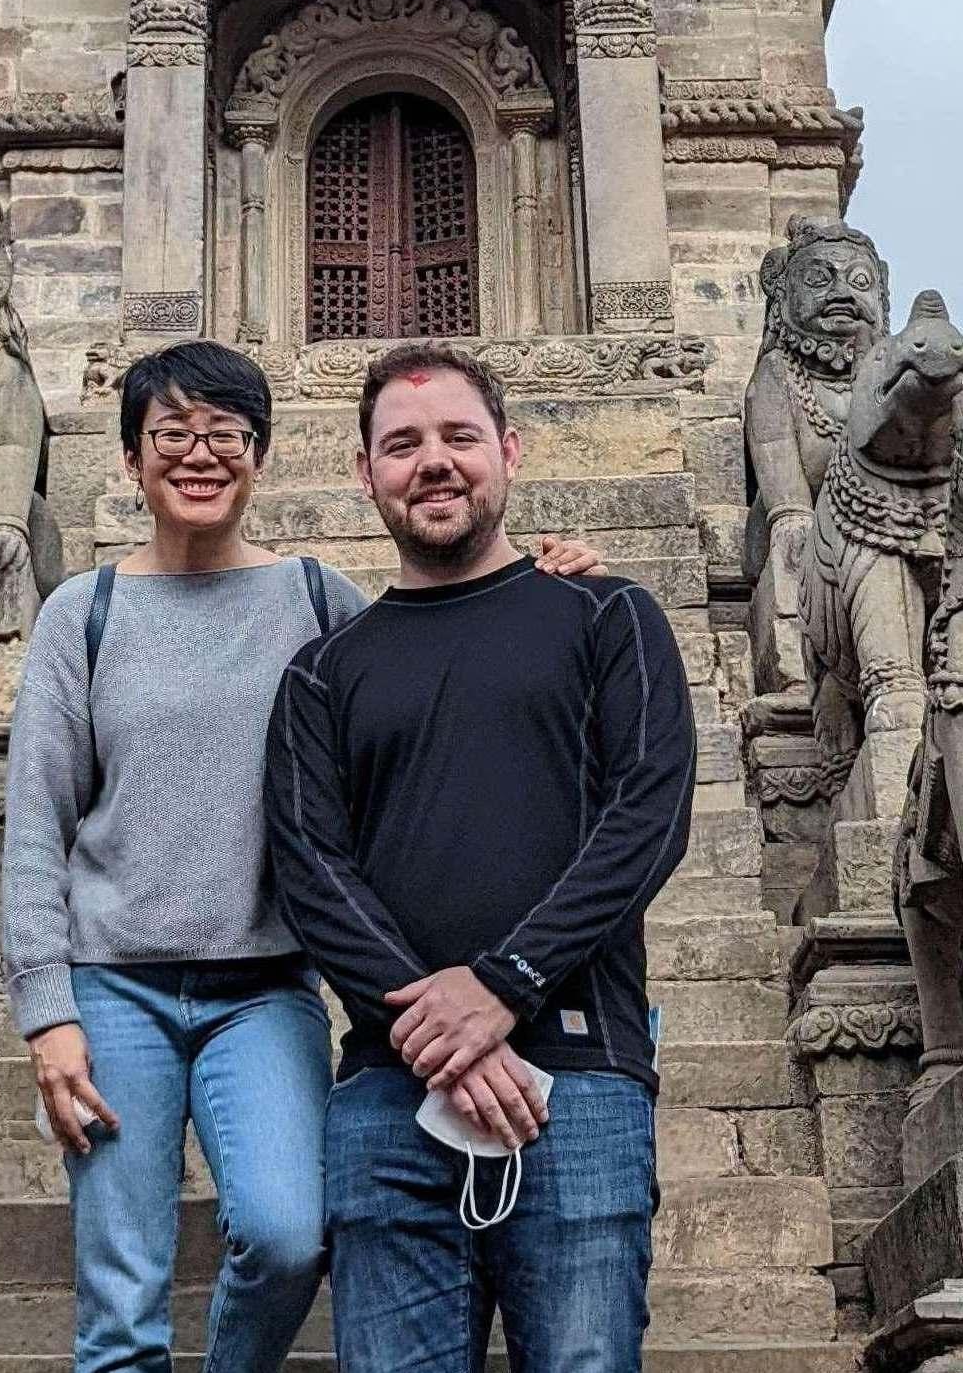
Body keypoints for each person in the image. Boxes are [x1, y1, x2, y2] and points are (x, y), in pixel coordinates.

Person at [2, 338, 606, 1373]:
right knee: (121, 1294)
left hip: (265, 988)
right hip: (111, 990)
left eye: (226, 435)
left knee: (289, 1236)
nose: (200, 456)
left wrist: (540, 589)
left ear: (260, 455)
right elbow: (35, 818)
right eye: (172, 436)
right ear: (131, 460)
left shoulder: (314, 600)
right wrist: (46, 1012)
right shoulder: (84, 613)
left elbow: (428, 668)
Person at [265, 343, 697, 1373]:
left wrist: (506, 983)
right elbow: (311, 868)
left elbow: (649, 814)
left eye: (460, 436)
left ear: (508, 451)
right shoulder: (324, 672)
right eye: (402, 444)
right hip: (386, 1090)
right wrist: (435, 1024)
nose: (435, 462)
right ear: (365, 475)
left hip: (580, 1078)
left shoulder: (606, 616)